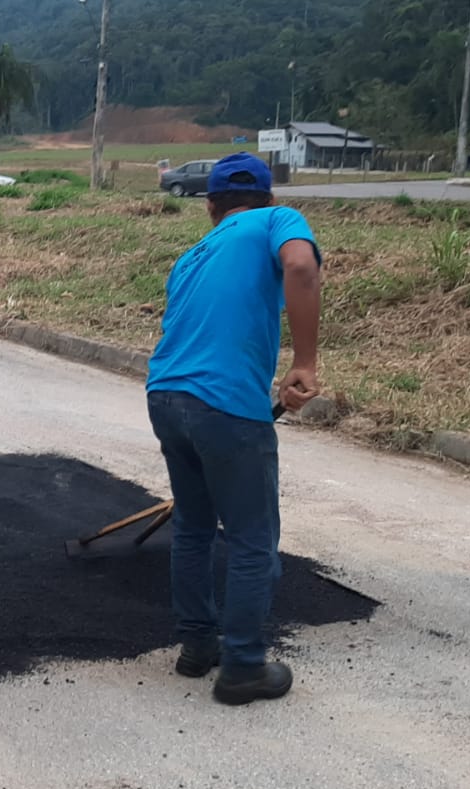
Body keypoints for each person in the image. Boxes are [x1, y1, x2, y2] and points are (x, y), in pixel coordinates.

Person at [145, 152, 322, 706]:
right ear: (267, 197)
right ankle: (243, 665)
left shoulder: (191, 256)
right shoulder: (277, 221)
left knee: (195, 528)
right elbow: (300, 266)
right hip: (224, 405)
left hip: (166, 395)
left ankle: (198, 645)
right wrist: (305, 363)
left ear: (212, 205)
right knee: (251, 540)